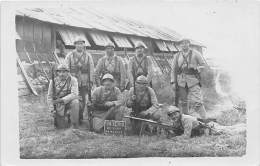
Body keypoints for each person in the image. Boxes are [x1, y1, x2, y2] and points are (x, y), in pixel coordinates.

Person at [170, 38, 207, 119]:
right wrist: (173, 82)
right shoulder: (177, 56)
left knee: (198, 101)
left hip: (193, 80)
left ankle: (204, 119)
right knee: (183, 102)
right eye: (182, 43)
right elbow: (173, 70)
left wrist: (196, 68)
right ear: (180, 45)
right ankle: (186, 119)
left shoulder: (196, 53)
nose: (184, 45)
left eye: (186, 43)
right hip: (181, 81)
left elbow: (203, 65)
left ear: (189, 44)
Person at [65, 37, 94, 124]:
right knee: (72, 98)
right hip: (73, 81)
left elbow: (92, 69)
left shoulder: (88, 56)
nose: (80, 45)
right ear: (75, 45)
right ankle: (72, 116)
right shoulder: (69, 55)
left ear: (84, 45)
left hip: (84, 81)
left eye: (81, 43)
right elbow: (66, 68)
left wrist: (91, 81)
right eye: (78, 43)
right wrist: (68, 80)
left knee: (83, 100)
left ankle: (80, 117)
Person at [47, 63, 79, 129]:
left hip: (69, 101)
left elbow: (74, 94)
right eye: (60, 72)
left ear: (68, 72)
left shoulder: (73, 80)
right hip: (58, 104)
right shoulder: (53, 81)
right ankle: (63, 117)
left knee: (75, 102)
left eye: (64, 72)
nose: (62, 74)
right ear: (57, 73)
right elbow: (49, 96)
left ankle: (74, 123)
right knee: (60, 127)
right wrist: (52, 109)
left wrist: (62, 100)